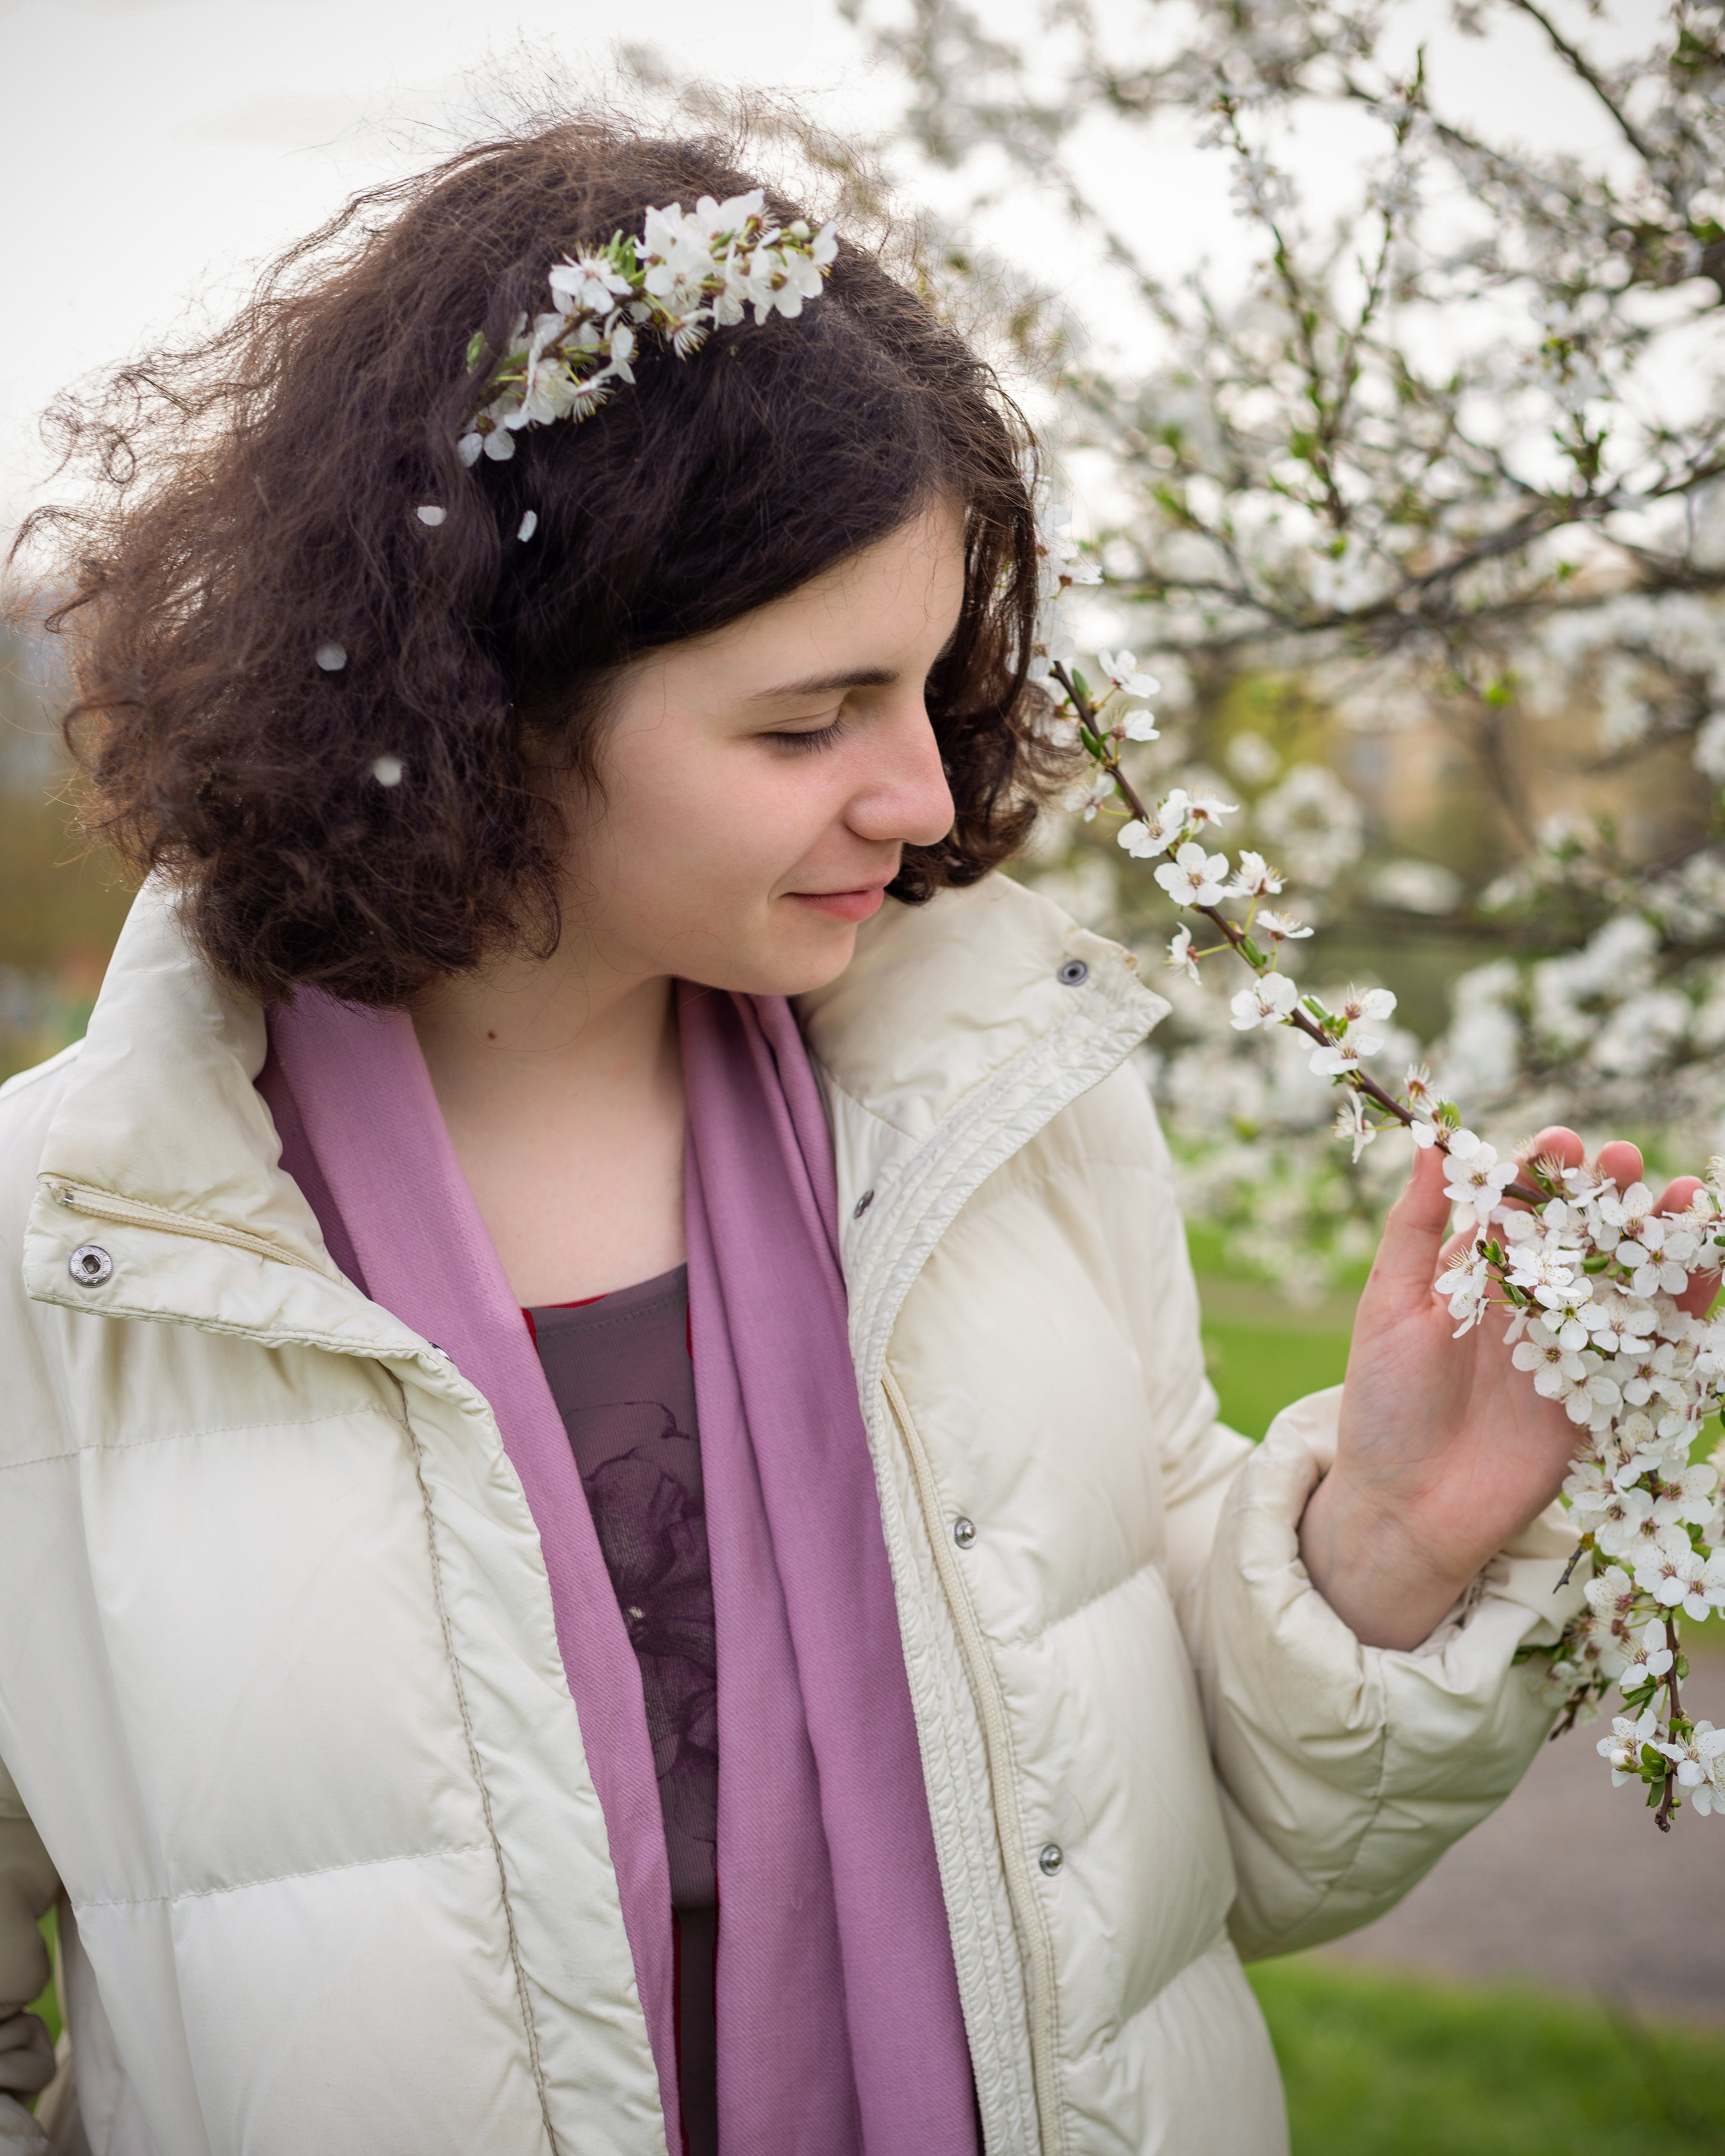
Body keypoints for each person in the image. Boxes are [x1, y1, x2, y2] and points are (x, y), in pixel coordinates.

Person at [0, 113, 1703, 2156]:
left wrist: (1381, 1564)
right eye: (807, 722)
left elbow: (1184, 1890)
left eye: (926, 687)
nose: (916, 796)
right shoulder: (75, 1265)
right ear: (494, 703)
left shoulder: (1002, 1117)